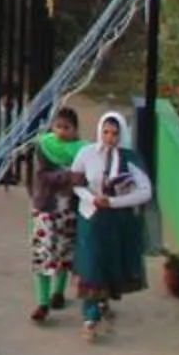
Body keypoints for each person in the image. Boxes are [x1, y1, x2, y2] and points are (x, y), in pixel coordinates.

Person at [71, 109, 154, 340]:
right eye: (106, 132)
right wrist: (92, 198)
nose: (109, 138)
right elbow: (76, 182)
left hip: (116, 220)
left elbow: (145, 191)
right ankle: (90, 317)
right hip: (91, 217)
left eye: (114, 133)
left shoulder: (130, 159)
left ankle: (102, 299)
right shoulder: (87, 154)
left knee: (108, 261)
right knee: (91, 263)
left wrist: (116, 202)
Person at [26, 104, 84, 322]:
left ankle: (58, 293)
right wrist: (68, 176)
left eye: (67, 127)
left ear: (76, 130)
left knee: (64, 252)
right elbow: (42, 176)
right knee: (43, 253)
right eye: (58, 126)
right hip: (46, 208)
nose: (61, 131)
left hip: (69, 208)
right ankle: (42, 303)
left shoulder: (83, 151)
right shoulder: (45, 146)